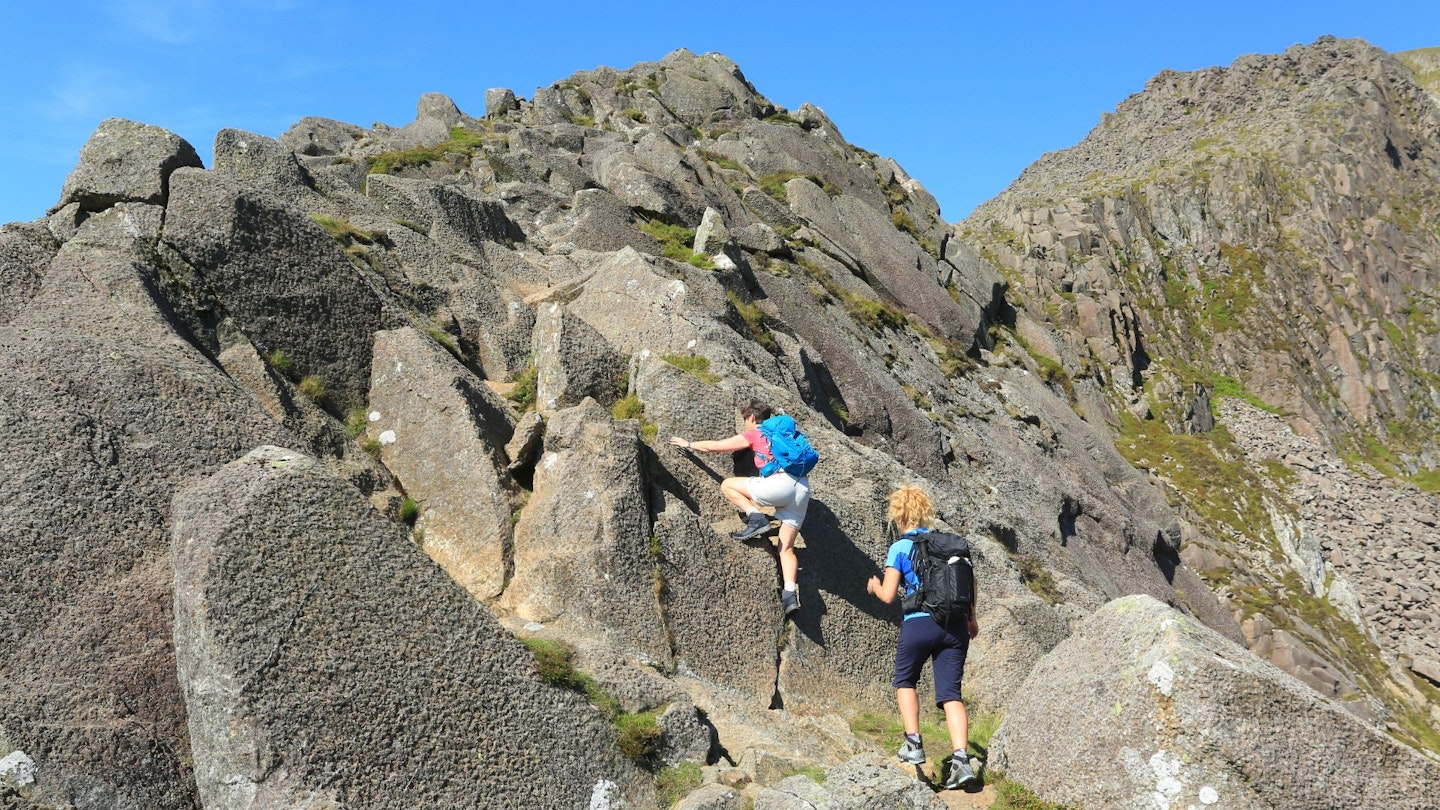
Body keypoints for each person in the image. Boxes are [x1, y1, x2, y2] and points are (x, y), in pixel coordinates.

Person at [865, 485, 980, 790]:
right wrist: (971, 618)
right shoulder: (950, 545)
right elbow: (971, 583)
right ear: (925, 511)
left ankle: (914, 744)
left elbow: (889, 595)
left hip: (919, 623)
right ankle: (961, 761)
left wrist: (874, 586)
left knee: (905, 681)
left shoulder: (900, 547)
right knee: (951, 695)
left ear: (897, 514)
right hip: (955, 626)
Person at [668, 400, 811, 616]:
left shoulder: (757, 433)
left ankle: (756, 518)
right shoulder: (786, 435)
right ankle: (790, 595)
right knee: (786, 548)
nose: (746, 425)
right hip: (802, 488)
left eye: (746, 420)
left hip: (779, 484)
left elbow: (715, 447)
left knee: (728, 485)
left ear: (752, 418)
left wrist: (688, 444)